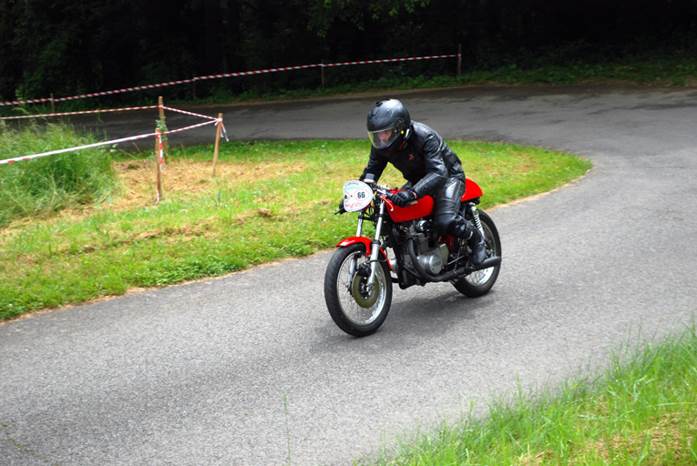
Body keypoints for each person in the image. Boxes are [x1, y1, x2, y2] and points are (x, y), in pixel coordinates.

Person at [342, 98, 490, 266]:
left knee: (445, 220)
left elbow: (438, 172)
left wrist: (412, 193)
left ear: (400, 129)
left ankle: (477, 240)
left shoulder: (424, 137)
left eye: (385, 133)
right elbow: (372, 171)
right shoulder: (382, 145)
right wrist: (355, 195)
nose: (381, 138)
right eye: (377, 135)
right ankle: (410, 257)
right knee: (394, 217)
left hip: (448, 178)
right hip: (418, 180)